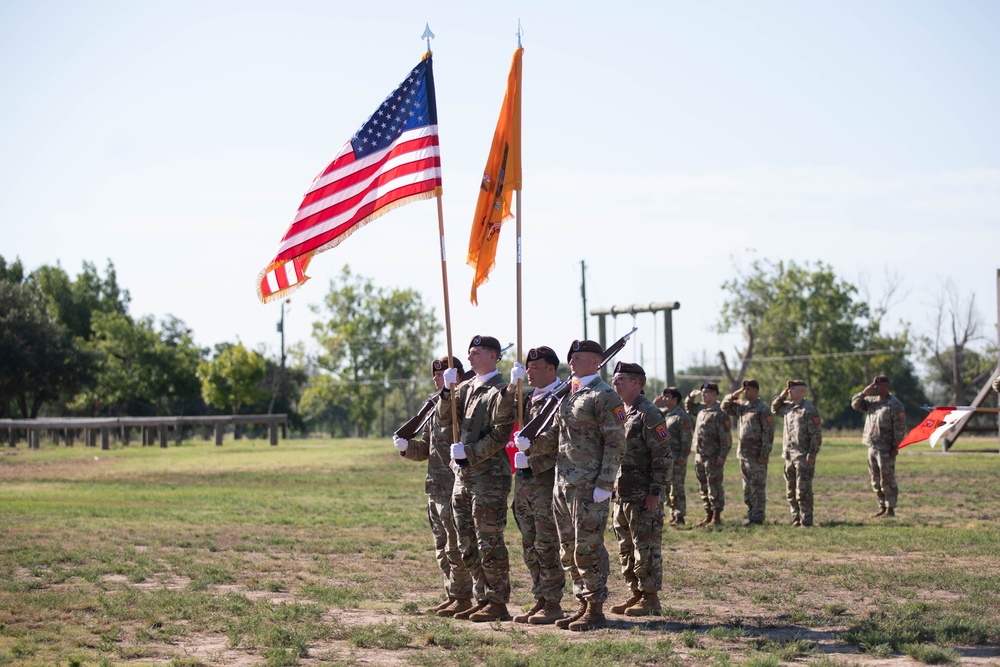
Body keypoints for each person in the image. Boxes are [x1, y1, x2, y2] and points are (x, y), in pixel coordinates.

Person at [517, 339, 626, 631]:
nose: (574, 362)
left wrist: (605, 482)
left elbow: (616, 443)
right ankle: (581, 603)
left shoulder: (604, 396)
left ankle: (595, 608)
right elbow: (556, 438)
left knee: (588, 547)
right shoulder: (569, 395)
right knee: (568, 549)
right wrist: (531, 446)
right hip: (562, 482)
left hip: (589, 486)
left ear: (596, 362)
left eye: (580, 358)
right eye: (572, 358)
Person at [437, 335, 516, 621]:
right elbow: (446, 420)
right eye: (469, 353)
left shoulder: (501, 391)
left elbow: (499, 435)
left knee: (489, 541)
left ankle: (497, 601)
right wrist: (447, 392)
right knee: (466, 541)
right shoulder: (466, 387)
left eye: (477, 353)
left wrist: (468, 453)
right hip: (463, 477)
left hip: (489, 478)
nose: (469, 358)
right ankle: (481, 596)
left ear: (493, 357)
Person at [393, 357, 477, 615]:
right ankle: (452, 594)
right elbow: (426, 449)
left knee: (456, 545)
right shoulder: (434, 407)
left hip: (456, 485)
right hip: (435, 486)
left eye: (445, 375)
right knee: (442, 547)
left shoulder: (465, 402)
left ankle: (463, 598)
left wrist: (452, 394)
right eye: (437, 376)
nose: (439, 379)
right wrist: (407, 448)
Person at [505, 345, 566, 625]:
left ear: (551, 369)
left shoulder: (562, 397)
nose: (529, 371)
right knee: (529, 543)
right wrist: (511, 385)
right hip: (525, 481)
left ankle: (553, 602)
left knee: (546, 543)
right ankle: (539, 598)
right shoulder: (528, 398)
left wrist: (533, 452)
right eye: (527, 367)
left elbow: (558, 438)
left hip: (544, 479)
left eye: (534, 367)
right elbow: (503, 415)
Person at [608, 362, 671, 617]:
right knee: (626, 547)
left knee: (645, 546)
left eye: (621, 378)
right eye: (614, 378)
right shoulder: (620, 411)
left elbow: (663, 453)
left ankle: (650, 597)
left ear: (637, 383)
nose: (615, 383)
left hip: (643, 493)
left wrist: (656, 490)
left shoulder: (649, 412)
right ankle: (635, 593)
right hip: (621, 492)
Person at [851, 374, 906, 518]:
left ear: (887, 386)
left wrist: (896, 447)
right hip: (872, 446)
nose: (876, 387)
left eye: (879, 385)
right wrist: (865, 391)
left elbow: (900, 428)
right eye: (874, 385)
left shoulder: (894, 404)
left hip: (886, 448)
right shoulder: (871, 402)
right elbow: (855, 404)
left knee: (887, 478)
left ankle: (891, 508)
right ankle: (881, 506)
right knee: (875, 479)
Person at [721, 379, 774, 526]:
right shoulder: (742, 407)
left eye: (748, 389)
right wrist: (734, 394)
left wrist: (764, 455)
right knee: (747, 487)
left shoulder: (762, 409)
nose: (745, 392)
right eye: (744, 389)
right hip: (743, 454)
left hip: (757, 455)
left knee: (757, 486)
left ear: (756, 391)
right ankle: (751, 514)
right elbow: (724, 407)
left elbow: (768, 433)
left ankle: (758, 517)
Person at [771, 380, 823, 527]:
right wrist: (782, 396)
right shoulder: (788, 407)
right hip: (788, 455)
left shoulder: (809, 410)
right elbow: (774, 408)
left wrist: (812, 454)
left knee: (803, 490)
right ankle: (796, 518)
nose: (790, 391)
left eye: (793, 389)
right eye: (789, 389)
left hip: (803, 455)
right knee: (791, 490)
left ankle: (806, 520)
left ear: (802, 392)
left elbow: (816, 435)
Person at [684, 382, 732, 527]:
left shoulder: (720, 413)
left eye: (706, 392)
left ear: (714, 394)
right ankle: (708, 514)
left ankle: (716, 516)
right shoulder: (702, 409)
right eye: (702, 392)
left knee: (714, 486)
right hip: (699, 455)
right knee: (703, 486)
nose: (703, 395)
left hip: (713, 456)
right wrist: (690, 397)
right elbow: (689, 408)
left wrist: (722, 456)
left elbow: (726, 438)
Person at [655, 388, 693, 526]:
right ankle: (672, 513)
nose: (664, 398)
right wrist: (655, 404)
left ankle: (680, 515)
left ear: (675, 399)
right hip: (664, 457)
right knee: (666, 487)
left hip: (677, 458)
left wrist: (683, 456)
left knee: (677, 487)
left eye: (667, 397)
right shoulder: (664, 414)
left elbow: (687, 439)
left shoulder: (681, 417)